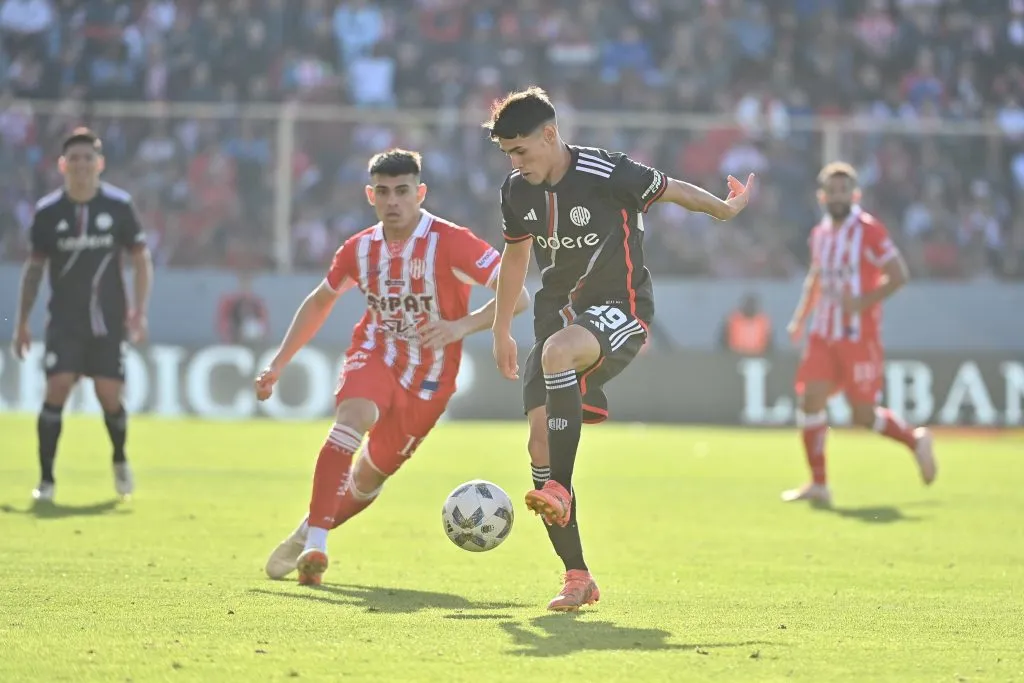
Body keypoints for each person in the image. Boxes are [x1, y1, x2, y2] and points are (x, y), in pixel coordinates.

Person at [484, 87, 755, 611]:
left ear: (549, 135)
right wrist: (500, 330)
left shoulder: (607, 172)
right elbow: (514, 258)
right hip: (555, 323)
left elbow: (673, 189)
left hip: (621, 309)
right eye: (507, 154)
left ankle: (560, 485)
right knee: (538, 449)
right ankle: (577, 576)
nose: (515, 163)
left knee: (558, 356)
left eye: (520, 150)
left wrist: (723, 209)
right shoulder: (516, 191)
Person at [257, 149, 529, 586]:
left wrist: (461, 326)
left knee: (367, 479)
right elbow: (321, 301)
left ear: (420, 193)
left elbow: (518, 295)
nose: (393, 201)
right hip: (376, 352)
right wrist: (278, 363)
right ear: (371, 196)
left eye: (402, 191)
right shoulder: (359, 249)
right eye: (383, 192)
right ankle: (318, 545)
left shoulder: (451, 241)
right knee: (352, 418)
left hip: (430, 380)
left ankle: (306, 530)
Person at [10, 127, 153, 502]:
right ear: (62, 165)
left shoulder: (119, 206)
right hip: (65, 321)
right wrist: (21, 322)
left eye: (88, 158)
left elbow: (141, 259)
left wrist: (139, 311)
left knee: (109, 395)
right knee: (57, 387)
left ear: (99, 164)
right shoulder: (48, 212)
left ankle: (119, 459)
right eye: (74, 158)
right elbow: (34, 269)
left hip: (108, 320)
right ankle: (46, 481)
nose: (81, 165)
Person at [783, 162, 937, 506]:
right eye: (831, 191)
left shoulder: (869, 231)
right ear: (822, 196)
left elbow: (899, 275)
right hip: (823, 333)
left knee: (863, 414)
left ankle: (916, 441)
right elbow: (816, 278)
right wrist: (800, 319)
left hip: (858, 336)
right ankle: (819, 484)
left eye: (844, 191)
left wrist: (862, 302)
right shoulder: (820, 234)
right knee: (810, 399)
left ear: (855, 195)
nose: (837, 197)